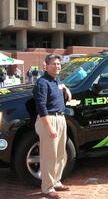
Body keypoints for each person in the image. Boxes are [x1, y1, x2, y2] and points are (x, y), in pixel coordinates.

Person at [33, 54, 72, 199]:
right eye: (54, 64)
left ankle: (56, 181)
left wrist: (66, 89)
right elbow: (41, 106)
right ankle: (47, 187)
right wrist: (49, 127)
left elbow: (61, 84)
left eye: (59, 64)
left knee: (60, 154)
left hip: (60, 118)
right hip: (49, 119)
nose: (57, 66)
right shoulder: (42, 83)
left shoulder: (56, 80)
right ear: (46, 66)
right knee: (49, 156)